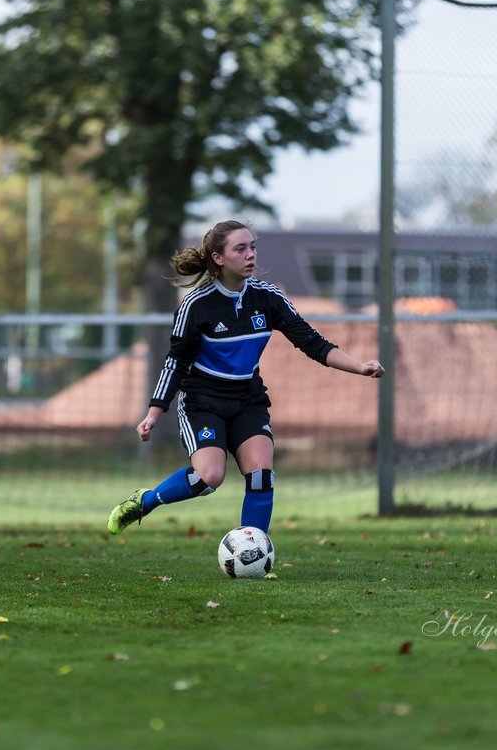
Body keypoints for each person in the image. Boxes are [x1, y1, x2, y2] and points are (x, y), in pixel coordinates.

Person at [107, 220, 385, 536]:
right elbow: (175, 363)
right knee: (208, 478)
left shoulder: (268, 298)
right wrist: (154, 413)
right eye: (240, 248)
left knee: (261, 475)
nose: (250, 254)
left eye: (252, 246)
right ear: (218, 258)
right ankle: (145, 501)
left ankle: (253, 549)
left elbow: (312, 342)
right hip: (204, 402)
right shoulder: (196, 305)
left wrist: (359, 366)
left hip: (247, 399)